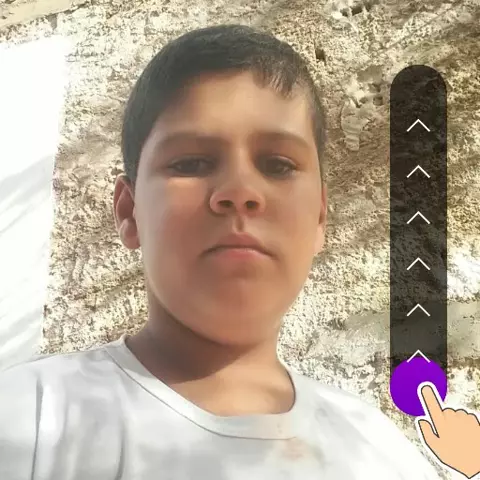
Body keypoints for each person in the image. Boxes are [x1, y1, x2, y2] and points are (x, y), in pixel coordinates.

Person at [0, 24, 441, 480]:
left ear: (319, 218)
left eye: (278, 165)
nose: (240, 191)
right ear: (130, 212)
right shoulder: (30, 420)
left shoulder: (382, 454)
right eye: (191, 163)